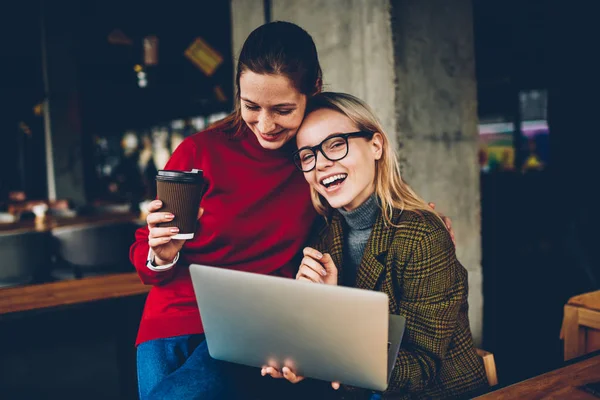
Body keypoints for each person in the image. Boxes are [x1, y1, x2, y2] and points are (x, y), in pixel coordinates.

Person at [132, 22, 453, 400]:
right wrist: (160, 254)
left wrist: (416, 216)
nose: (265, 125)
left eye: (282, 110)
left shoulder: (313, 158)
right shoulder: (200, 152)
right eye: (250, 106)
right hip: (176, 317)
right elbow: (146, 261)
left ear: (313, 88)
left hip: (259, 326)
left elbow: (367, 178)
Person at [262, 92, 488, 399]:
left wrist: (330, 341)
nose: (322, 164)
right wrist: (299, 357)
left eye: (336, 144)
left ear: (376, 146)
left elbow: (421, 369)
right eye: (308, 155)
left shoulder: (422, 236)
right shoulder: (322, 236)